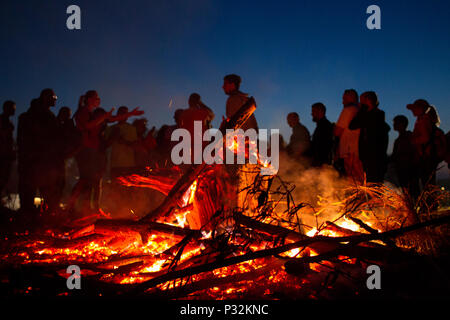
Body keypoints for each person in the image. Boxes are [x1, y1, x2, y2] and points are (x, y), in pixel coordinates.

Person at [17, 89, 62, 214]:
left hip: (35, 161)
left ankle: (32, 220)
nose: (55, 99)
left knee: (31, 192)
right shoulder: (41, 117)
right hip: (39, 162)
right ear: (45, 97)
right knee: (39, 191)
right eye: (54, 96)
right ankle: (36, 221)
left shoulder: (31, 116)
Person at [349, 91, 390, 183]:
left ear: (367, 100)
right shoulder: (373, 115)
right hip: (369, 156)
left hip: (374, 157)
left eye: (361, 101)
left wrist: (362, 110)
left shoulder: (374, 115)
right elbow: (353, 125)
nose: (359, 103)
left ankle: (376, 197)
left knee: (374, 183)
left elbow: (353, 125)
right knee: (371, 182)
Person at [334, 89, 364, 183]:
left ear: (351, 97)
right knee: (360, 177)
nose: (342, 101)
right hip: (357, 150)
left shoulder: (348, 110)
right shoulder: (359, 110)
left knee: (354, 179)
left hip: (350, 151)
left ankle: (359, 196)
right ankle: (363, 195)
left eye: (344, 98)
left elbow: (337, 132)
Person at [407, 99, 438, 187]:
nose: (412, 111)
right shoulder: (424, 120)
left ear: (420, 109)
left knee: (427, 182)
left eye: (414, 108)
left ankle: (429, 200)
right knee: (428, 182)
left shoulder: (423, 121)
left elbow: (425, 138)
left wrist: (413, 140)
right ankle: (430, 199)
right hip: (428, 155)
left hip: (426, 155)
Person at [179, 93, 215, 163]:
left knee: (191, 165)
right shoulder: (203, 112)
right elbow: (212, 114)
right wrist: (201, 104)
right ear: (198, 102)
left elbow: (181, 128)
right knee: (201, 166)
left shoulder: (184, 113)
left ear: (189, 101)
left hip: (189, 144)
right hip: (202, 144)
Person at [106, 106, 140, 178]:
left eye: (125, 113)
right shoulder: (111, 128)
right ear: (117, 114)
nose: (123, 115)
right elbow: (105, 145)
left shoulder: (131, 128)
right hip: (115, 165)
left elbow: (136, 147)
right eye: (121, 113)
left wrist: (123, 141)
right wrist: (113, 136)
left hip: (129, 165)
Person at [391, 115, 419, 198]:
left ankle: (414, 206)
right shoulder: (399, 139)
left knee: (411, 189)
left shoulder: (408, 137)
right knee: (408, 189)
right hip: (403, 168)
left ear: (402, 124)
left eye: (396, 123)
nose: (394, 125)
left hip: (408, 168)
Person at [0, 100, 16, 202]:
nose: (14, 110)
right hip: (3, 156)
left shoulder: (7, 122)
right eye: (13, 108)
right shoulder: (3, 121)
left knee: (4, 180)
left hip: (6, 155)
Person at [310, 102, 334, 167]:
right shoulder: (322, 125)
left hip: (321, 164)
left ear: (320, 111)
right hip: (320, 162)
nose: (311, 114)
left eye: (313, 111)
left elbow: (322, 147)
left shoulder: (325, 126)